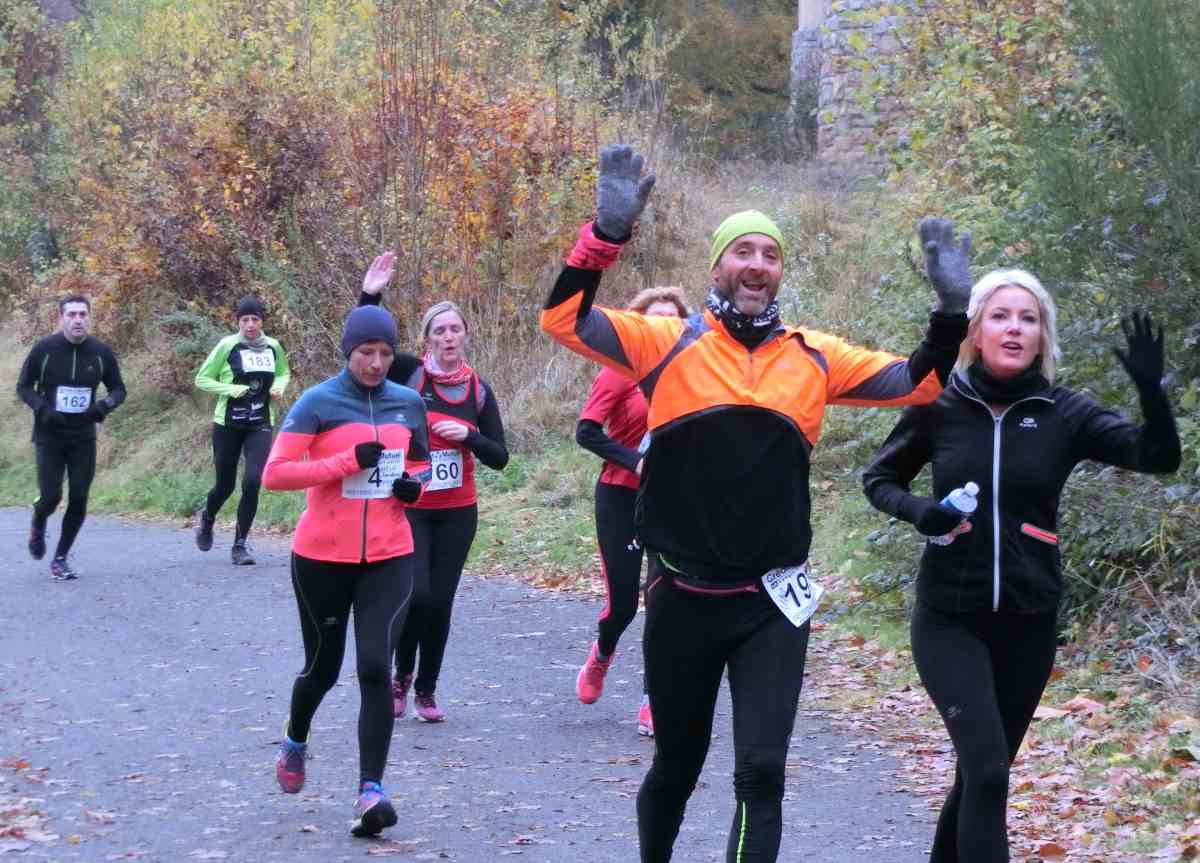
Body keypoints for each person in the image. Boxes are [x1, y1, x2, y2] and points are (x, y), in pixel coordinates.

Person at [541, 143, 971, 863]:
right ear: (717, 267)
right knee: (676, 767)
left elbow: (919, 382)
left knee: (762, 774)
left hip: (772, 601)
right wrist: (605, 237)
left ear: (780, 273)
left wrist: (952, 313)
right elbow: (562, 320)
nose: (757, 264)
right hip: (682, 594)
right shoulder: (664, 342)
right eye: (743, 250)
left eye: (770, 255)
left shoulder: (814, 356)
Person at [862, 272, 1180, 863]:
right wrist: (921, 512)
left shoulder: (1065, 412)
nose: (1014, 328)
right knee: (987, 771)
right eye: (1001, 316)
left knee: (979, 777)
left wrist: (1151, 393)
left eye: (1028, 319)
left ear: (1042, 338)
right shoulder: (940, 406)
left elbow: (1159, 457)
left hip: (1029, 622)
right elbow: (880, 479)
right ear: (976, 332)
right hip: (949, 619)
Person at [262, 305, 431, 837]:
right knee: (323, 668)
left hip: (389, 554)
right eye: (365, 353)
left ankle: (370, 791)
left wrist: (414, 487)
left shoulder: (408, 403)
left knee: (376, 667)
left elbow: (421, 464)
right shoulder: (318, 402)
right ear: (347, 352)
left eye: (385, 353)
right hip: (321, 557)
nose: (376, 364)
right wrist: (345, 463)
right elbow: (275, 474)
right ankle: (296, 737)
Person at [358, 256, 510, 722]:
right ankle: (401, 676)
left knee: (440, 604)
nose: (448, 337)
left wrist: (471, 436)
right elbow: (366, 346)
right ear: (427, 339)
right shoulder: (408, 374)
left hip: (458, 511)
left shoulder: (479, 390)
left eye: (455, 329)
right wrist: (371, 295)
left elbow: (500, 457)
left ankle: (426, 690)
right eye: (439, 331)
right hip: (413, 505)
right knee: (417, 595)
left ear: (465, 335)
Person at [573, 285, 688, 737]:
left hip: (672, 501)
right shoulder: (619, 371)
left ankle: (652, 698)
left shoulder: (694, 373)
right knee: (622, 605)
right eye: (653, 319)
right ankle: (602, 654)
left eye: (673, 320)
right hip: (620, 497)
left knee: (664, 601)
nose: (663, 327)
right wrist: (635, 460)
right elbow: (586, 431)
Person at [17, 294, 126, 580]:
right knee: (51, 496)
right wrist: (42, 409)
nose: (78, 320)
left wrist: (103, 407)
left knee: (79, 497)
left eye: (82, 314)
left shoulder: (100, 352)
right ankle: (38, 520)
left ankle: (60, 558)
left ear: (89, 317)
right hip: (49, 435)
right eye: (71, 314)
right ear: (61, 318)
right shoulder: (45, 349)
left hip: (82, 436)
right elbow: (24, 387)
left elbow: (118, 390)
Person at [193, 296, 291, 565]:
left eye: (255, 319)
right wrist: (230, 389)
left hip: (260, 422)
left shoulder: (273, 347)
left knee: (252, 481)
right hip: (228, 424)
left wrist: (279, 387)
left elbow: (283, 372)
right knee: (224, 486)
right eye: (245, 320)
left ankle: (240, 545)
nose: (250, 325)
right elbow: (202, 379)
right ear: (238, 322)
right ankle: (207, 518)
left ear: (262, 321)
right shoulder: (227, 345)